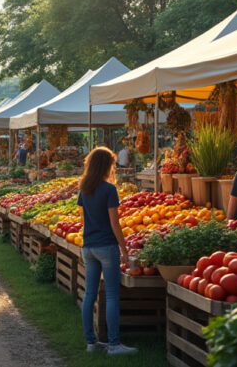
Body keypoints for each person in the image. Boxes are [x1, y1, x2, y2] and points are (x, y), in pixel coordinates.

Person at [77, 147, 137, 355]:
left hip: (88, 246)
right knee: (111, 295)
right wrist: (124, 249)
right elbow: (115, 223)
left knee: (89, 294)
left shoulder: (84, 189)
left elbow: (83, 220)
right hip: (106, 247)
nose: (113, 168)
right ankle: (114, 344)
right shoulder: (109, 190)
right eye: (112, 164)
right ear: (106, 166)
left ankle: (91, 343)